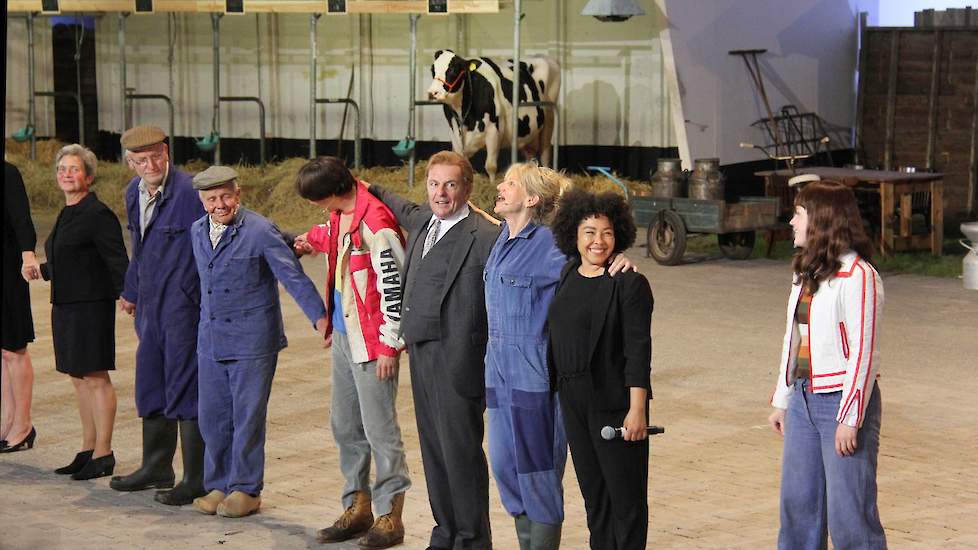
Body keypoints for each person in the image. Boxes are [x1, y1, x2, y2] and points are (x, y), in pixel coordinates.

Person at [367, 151, 498, 550]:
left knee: (461, 454)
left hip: (459, 360)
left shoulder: (487, 235)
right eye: (434, 184)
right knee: (435, 452)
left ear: (468, 188)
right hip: (422, 355)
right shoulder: (425, 219)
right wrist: (367, 187)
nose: (441, 193)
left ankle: (472, 541)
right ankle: (445, 534)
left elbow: (535, 250)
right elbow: (400, 205)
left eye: (451, 185)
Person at [189, 166, 328, 519]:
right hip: (211, 340)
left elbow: (290, 275)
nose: (219, 204)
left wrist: (319, 316)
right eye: (211, 199)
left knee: (247, 416)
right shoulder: (196, 232)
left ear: (238, 194)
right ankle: (219, 482)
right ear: (202, 201)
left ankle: (246, 488)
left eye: (225, 196)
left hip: (252, 340)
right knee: (213, 417)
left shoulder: (259, 230)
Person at [292, 157, 412, 549]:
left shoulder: (377, 223)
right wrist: (310, 240)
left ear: (329, 194)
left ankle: (389, 517)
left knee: (380, 431)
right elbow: (330, 234)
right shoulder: (341, 212)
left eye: (316, 200)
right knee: (345, 425)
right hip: (345, 337)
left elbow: (394, 289)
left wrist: (390, 346)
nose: (316, 208)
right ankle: (356, 507)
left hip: (373, 343)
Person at [767, 180, 886, 550]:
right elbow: (793, 338)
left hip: (840, 403)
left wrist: (849, 419)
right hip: (803, 400)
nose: (791, 222)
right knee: (798, 507)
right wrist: (783, 398)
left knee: (849, 517)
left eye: (798, 215)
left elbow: (864, 354)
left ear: (820, 220)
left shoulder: (859, 276)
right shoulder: (805, 271)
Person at [546, 189, 653, 550]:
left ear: (618, 235)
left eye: (606, 232)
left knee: (626, 501)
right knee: (595, 496)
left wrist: (637, 410)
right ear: (573, 235)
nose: (598, 241)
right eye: (589, 232)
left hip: (614, 403)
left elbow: (639, 352)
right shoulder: (566, 275)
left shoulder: (629, 283)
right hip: (572, 399)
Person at [110, 125, 208, 506]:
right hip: (150, 305)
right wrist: (131, 290)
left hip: (184, 306)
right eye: (140, 160)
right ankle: (156, 467)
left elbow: (232, 218)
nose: (149, 164)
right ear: (130, 163)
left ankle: (195, 478)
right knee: (150, 379)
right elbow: (139, 245)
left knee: (185, 384)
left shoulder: (189, 192)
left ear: (166, 152)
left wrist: (290, 242)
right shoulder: (133, 193)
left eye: (155, 156)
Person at [28, 145, 129, 479]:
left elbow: (116, 259)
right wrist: (43, 270)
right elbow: (70, 257)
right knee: (78, 377)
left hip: (90, 307)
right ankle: (88, 448)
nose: (66, 174)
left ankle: (104, 452)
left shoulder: (96, 213)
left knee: (95, 377)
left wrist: (128, 295)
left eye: (74, 169)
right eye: (62, 169)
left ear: (88, 176)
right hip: (66, 305)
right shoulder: (67, 211)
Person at [2, 161, 38, 453]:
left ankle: (23, 425)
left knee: (14, 348)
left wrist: (28, 255)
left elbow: (22, 219)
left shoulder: (8, 172)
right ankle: (7, 421)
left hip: (7, 271)